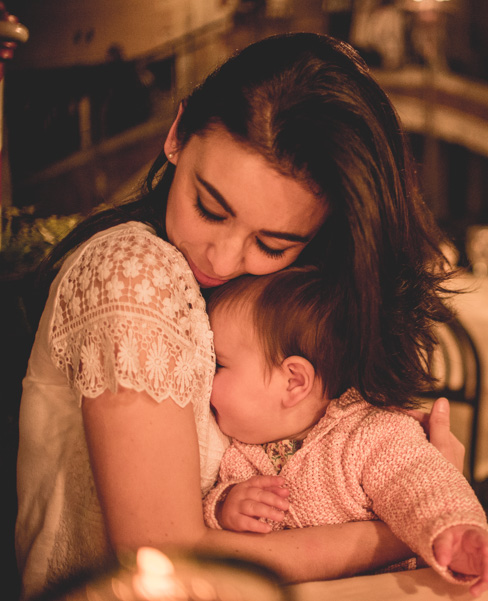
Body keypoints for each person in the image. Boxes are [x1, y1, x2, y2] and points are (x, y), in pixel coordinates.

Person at [16, 32, 462, 600]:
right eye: (209, 207)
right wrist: (410, 527)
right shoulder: (132, 272)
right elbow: (165, 556)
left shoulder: (272, 298)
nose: (223, 258)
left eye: (273, 243)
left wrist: (406, 476)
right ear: (176, 134)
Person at [202, 268, 488, 596]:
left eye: (218, 365)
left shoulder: (371, 433)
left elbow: (422, 482)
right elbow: (212, 527)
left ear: (293, 381)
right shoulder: (237, 450)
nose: (203, 379)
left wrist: (454, 530)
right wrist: (224, 505)